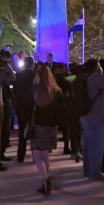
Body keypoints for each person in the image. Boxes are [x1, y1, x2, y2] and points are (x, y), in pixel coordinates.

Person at [31, 63, 64, 195]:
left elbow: (30, 107)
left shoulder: (37, 90)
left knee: (37, 155)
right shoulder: (57, 91)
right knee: (45, 155)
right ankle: (44, 182)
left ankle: (45, 180)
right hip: (52, 126)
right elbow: (62, 109)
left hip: (39, 124)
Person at [80, 59, 104, 181]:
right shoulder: (96, 77)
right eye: (98, 65)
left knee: (87, 144)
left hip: (86, 115)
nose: (100, 67)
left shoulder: (84, 78)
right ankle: (95, 173)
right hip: (96, 116)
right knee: (96, 145)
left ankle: (87, 170)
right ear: (94, 67)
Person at [13, 56, 35, 163]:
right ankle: (36, 156)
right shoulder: (34, 75)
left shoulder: (18, 75)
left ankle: (20, 155)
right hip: (33, 105)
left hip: (21, 105)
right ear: (32, 64)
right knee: (34, 130)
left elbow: (15, 91)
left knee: (22, 131)